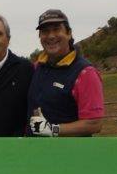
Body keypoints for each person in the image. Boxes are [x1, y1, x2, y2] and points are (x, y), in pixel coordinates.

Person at [27, 9, 103, 137]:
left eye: (56, 29)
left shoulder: (85, 73)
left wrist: (53, 130)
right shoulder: (35, 68)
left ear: (69, 33)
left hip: (70, 154)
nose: (51, 36)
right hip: (35, 152)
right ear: (40, 37)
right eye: (45, 31)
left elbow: (94, 123)